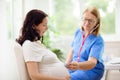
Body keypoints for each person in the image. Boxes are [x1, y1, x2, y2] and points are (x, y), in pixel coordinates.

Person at [16, 9, 70, 80]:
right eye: (44, 25)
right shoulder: (29, 45)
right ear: (33, 26)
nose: (47, 28)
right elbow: (34, 76)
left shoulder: (36, 43)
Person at [65, 6, 104, 80]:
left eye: (91, 21)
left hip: (91, 70)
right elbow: (72, 51)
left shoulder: (98, 40)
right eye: (85, 19)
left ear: (96, 23)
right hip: (75, 67)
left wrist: (78, 65)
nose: (86, 23)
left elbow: (92, 63)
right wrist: (66, 65)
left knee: (68, 78)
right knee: (57, 76)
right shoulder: (78, 32)